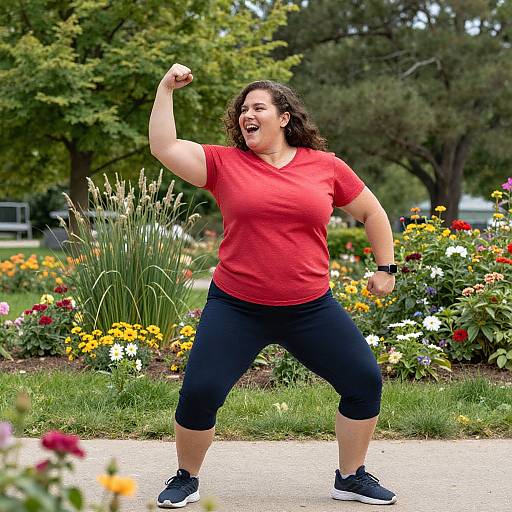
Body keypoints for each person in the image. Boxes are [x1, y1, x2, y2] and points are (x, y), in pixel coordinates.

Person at [149, 63, 398, 509]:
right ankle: (186, 478)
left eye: (258, 107)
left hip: (310, 307)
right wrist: (166, 89)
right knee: (201, 391)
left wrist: (387, 267)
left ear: (284, 117)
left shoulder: (325, 167)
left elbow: (373, 213)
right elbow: (164, 146)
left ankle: (351, 477)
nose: (248, 114)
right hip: (236, 306)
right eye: (243, 109)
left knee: (363, 379)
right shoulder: (225, 164)